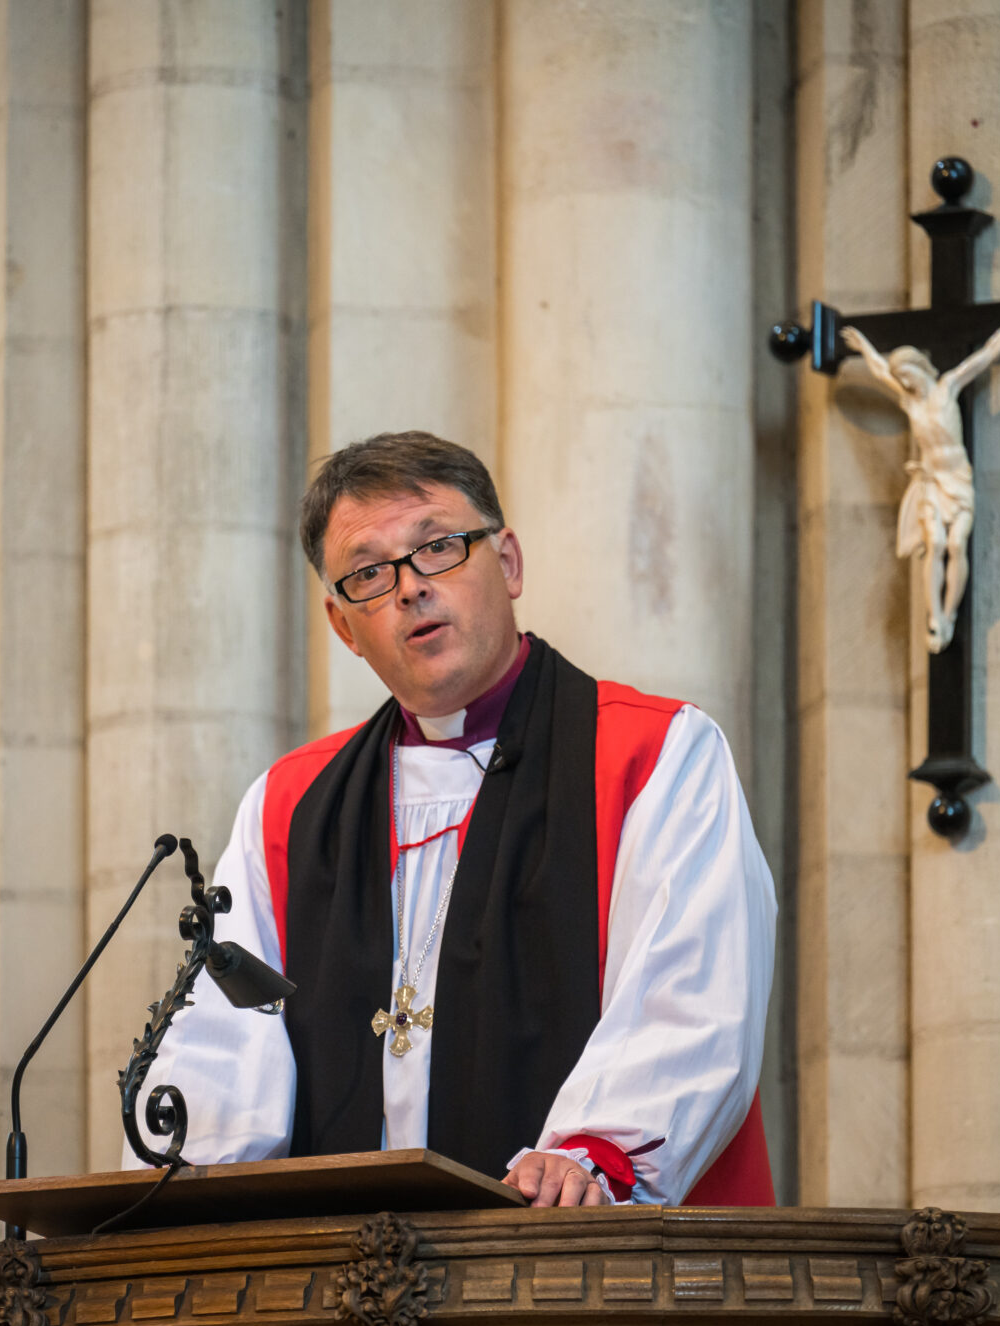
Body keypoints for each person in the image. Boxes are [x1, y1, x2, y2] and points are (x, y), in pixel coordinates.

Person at [124, 431, 777, 1207]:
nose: (408, 588)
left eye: (436, 547)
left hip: (587, 1272)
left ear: (507, 563)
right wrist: (191, 1183)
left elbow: (693, 1000)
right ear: (343, 625)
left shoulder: (653, 752)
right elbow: (222, 1050)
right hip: (353, 1291)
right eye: (369, 572)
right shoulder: (289, 807)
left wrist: (589, 1153)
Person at [841, 295, 1000, 652]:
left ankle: (949, 611)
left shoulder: (948, 387)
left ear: (920, 368)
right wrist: (864, 346)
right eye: (901, 377)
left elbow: (989, 354)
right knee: (934, 544)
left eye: (908, 375)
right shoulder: (910, 401)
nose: (904, 382)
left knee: (955, 542)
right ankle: (936, 619)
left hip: (957, 478)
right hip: (931, 479)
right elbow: (879, 370)